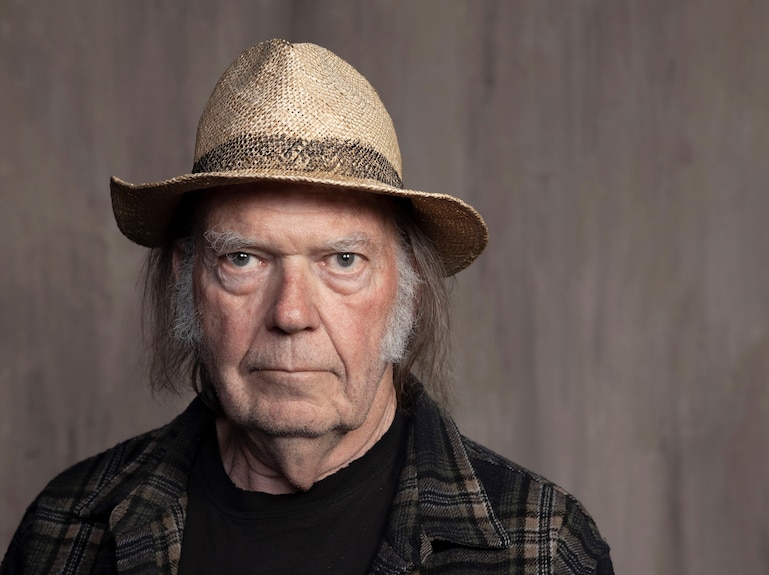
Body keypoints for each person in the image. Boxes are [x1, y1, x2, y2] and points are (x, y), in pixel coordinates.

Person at [1, 39, 613, 574]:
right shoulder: (68, 530)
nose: (291, 314)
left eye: (342, 260)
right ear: (188, 279)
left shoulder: (541, 551)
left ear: (408, 289)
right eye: (243, 258)